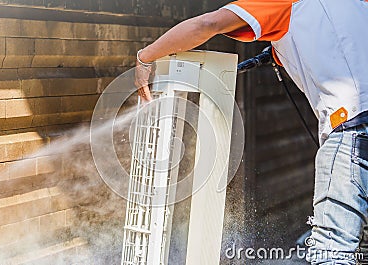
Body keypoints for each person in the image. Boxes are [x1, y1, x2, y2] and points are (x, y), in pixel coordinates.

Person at [135, 0, 368, 264]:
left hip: (353, 130)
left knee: (332, 253)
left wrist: (146, 57)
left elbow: (208, 23)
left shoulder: (285, 4)